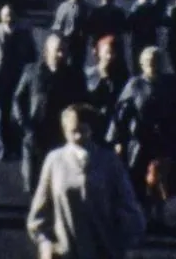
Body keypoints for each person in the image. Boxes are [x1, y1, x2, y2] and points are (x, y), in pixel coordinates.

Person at [27, 104, 146, 259]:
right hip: (65, 252)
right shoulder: (54, 161)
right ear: (64, 129)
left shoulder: (109, 162)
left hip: (105, 252)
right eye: (73, 131)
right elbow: (39, 214)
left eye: (82, 130)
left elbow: (129, 207)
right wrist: (46, 245)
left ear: (91, 129)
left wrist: (128, 243)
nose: (78, 137)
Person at [107, 47, 176, 229]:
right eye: (148, 60)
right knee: (137, 178)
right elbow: (121, 114)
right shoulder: (134, 85)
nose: (152, 64)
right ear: (141, 63)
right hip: (139, 141)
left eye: (156, 60)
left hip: (162, 140)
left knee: (159, 179)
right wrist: (118, 140)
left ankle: (159, 213)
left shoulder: (170, 85)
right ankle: (142, 213)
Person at [13, 35, 88, 194]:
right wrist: (25, 124)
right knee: (33, 183)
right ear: (47, 52)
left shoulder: (75, 76)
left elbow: (83, 103)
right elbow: (18, 99)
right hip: (36, 135)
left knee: (61, 183)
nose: (62, 55)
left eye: (64, 51)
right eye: (58, 51)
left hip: (61, 137)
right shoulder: (32, 72)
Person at [0, 5, 38, 161]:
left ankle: (18, 145)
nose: (9, 18)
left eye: (11, 15)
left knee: (20, 114)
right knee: (1, 115)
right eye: (6, 15)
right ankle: (4, 147)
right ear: (1, 17)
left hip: (20, 81)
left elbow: (33, 56)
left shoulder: (24, 34)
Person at [51, 0, 91, 71]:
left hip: (65, 40)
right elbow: (88, 27)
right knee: (76, 67)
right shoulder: (85, 8)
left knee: (61, 65)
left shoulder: (63, 6)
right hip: (78, 42)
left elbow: (57, 26)